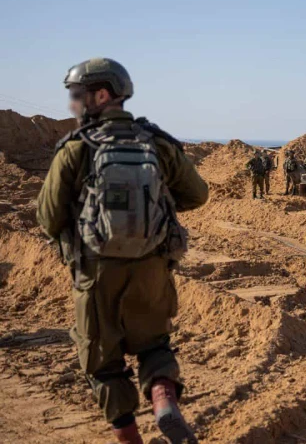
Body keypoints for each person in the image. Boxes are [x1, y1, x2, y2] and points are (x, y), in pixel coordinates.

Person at [36, 58, 209, 444]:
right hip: (152, 270)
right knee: (154, 345)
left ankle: (129, 439)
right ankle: (163, 399)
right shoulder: (156, 142)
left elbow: (47, 218)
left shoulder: (77, 148)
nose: (72, 105)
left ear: (101, 95)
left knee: (103, 364)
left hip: (96, 275)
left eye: (77, 96)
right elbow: (198, 195)